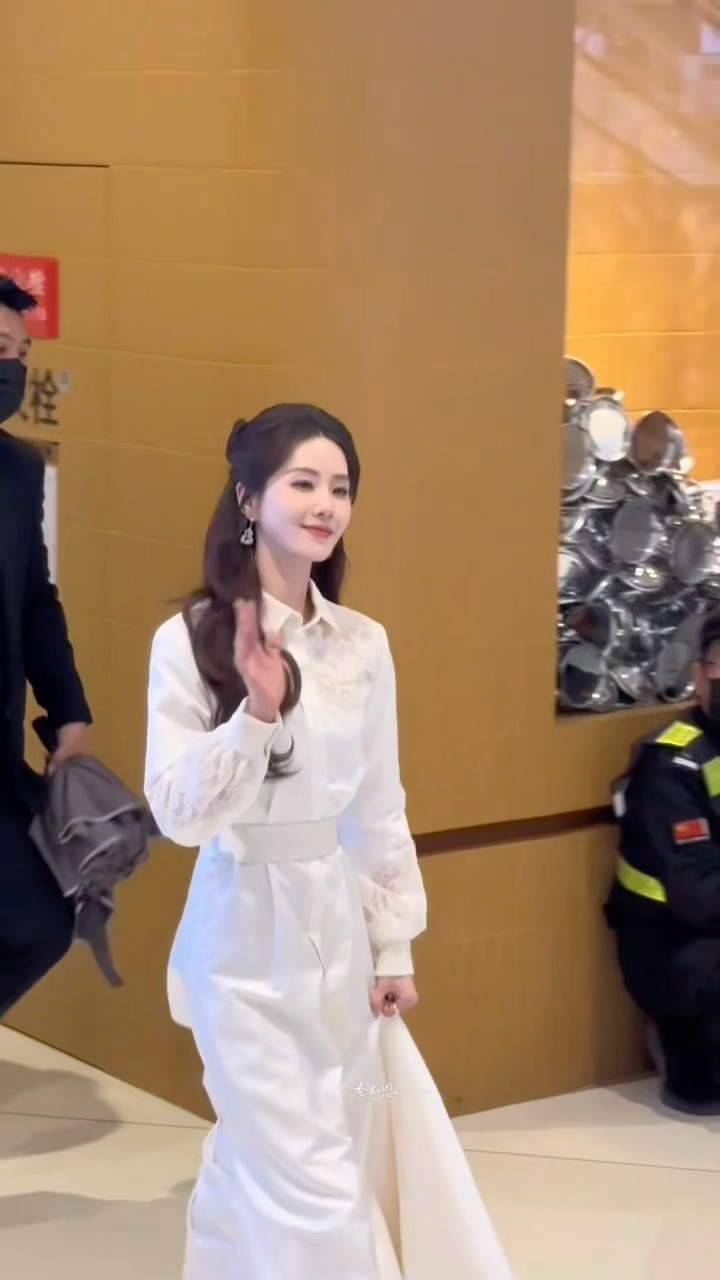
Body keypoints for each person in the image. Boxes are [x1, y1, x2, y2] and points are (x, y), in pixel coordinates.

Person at [144, 405, 513, 1280]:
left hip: (337, 942)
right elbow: (179, 815)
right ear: (248, 498)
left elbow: (378, 806)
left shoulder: (362, 645)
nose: (325, 505)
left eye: (340, 488)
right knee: (305, 1183)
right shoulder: (188, 638)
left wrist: (393, 944)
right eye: (302, 483)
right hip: (240, 946)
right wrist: (255, 715)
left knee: (296, 1156)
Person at [0, 274, 91, 1017]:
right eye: (2, 348)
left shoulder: (18, 470)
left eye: (21, 355)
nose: (14, 368)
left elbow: (35, 600)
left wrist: (68, 711)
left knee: (43, 920)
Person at [605, 609, 720, 1115]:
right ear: (700, 675)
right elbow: (700, 895)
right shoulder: (673, 763)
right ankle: (686, 1060)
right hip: (677, 944)